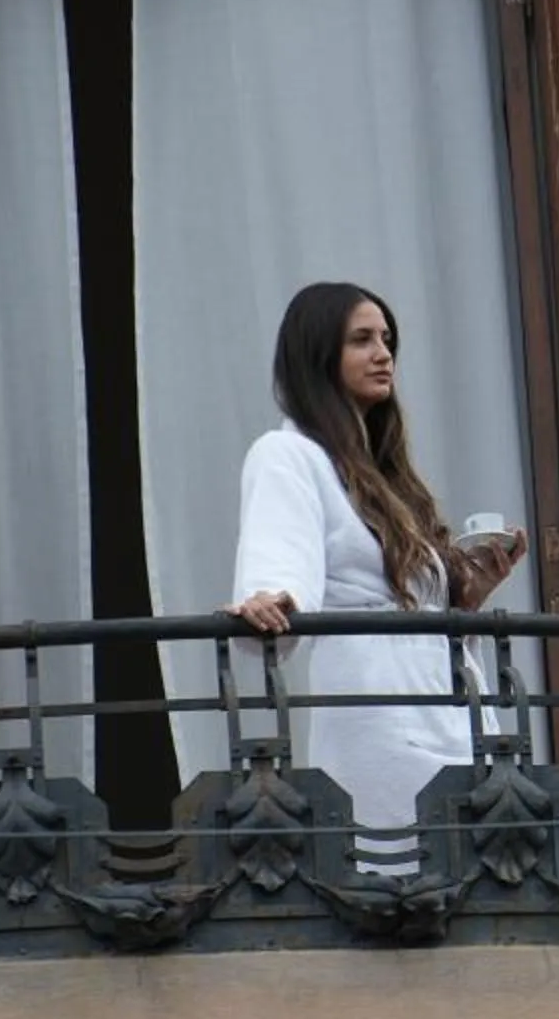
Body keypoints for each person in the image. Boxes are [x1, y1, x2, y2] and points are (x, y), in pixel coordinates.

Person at [223, 281, 528, 831]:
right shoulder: (288, 454)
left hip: (447, 708)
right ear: (320, 356)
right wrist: (273, 597)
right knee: (399, 877)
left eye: (386, 339)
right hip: (379, 709)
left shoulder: (385, 475)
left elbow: (416, 600)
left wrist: (466, 597)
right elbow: (282, 551)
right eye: (361, 339)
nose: (383, 353)